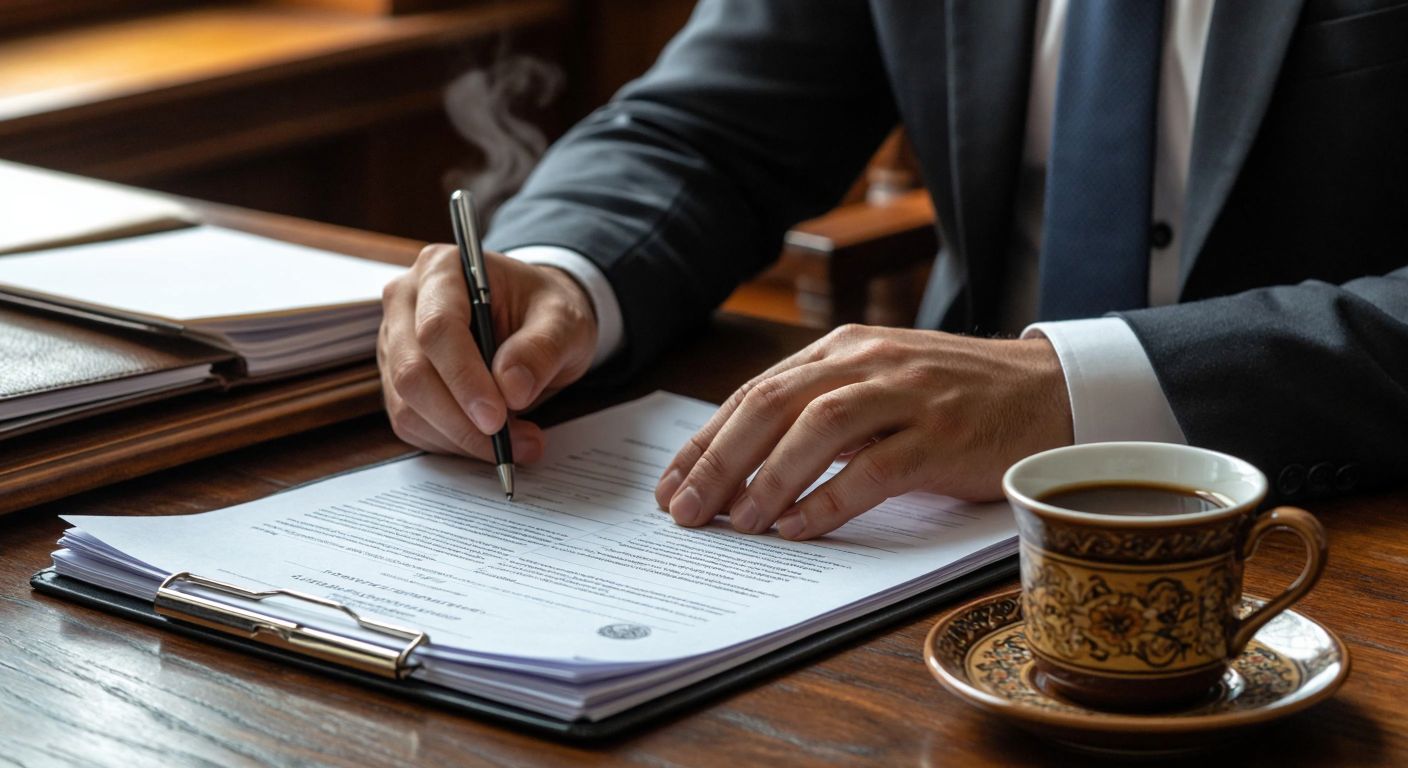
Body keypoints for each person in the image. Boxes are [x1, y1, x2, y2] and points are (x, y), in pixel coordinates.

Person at [378, 0, 1408, 540]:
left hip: (1325, 525)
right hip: (924, 523)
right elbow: (708, 123)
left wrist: (1072, 389)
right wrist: (564, 272)